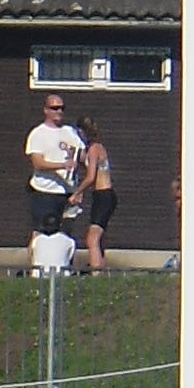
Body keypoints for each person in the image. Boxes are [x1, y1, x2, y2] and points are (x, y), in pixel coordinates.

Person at [25, 88, 83, 270]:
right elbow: (38, 163)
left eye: (62, 108)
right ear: (46, 110)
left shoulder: (69, 132)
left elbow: (82, 155)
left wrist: (79, 188)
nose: (59, 112)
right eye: (54, 108)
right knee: (40, 234)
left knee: (67, 232)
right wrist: (62, 165)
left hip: (67, 193)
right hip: (44, 192)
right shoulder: (38, 134)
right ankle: (35, 270)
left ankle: (64, 268)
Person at [77, 114, 115, 274]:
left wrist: (77, 192)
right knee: (99, 237)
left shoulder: (94, 149)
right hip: (103, 195)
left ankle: (96, 274)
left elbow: (91, 176)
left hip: (103, 195)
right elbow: (85, 161)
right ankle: (99, 267)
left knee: (92, 238)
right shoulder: (97, 148)